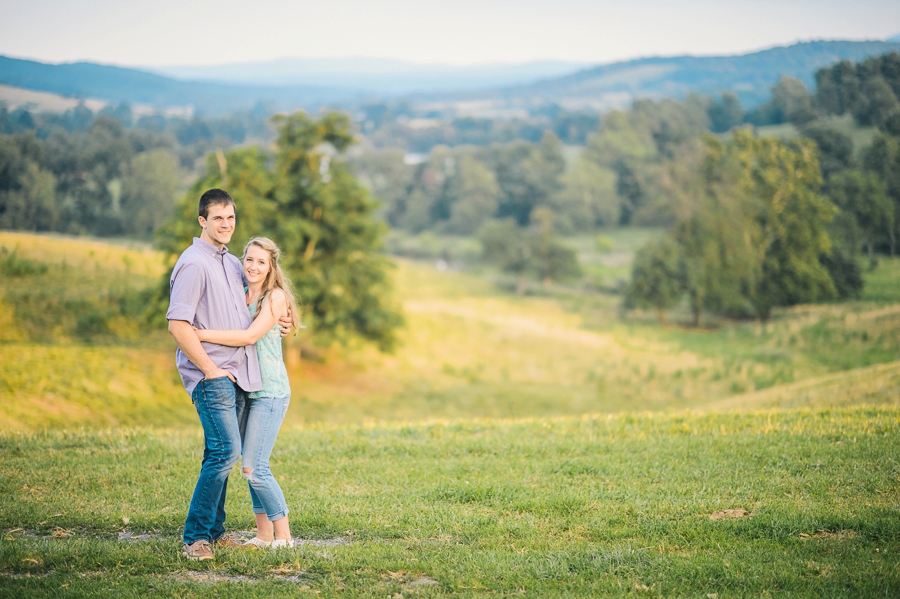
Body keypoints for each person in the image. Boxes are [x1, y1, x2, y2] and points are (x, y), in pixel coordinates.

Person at [166, 188, 288, 561]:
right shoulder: (193, 263)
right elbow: (178, 324)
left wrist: (280, 318)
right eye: (218, 218)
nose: (225, 224)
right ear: (202, 221)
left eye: (230, 217)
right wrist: (211, 370)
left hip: (239, 378)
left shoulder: (232, 262)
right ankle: (196, 538)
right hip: (214, 376)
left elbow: (260, 293)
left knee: (217, 454)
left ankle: (215, 533)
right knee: (225, 452)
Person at [193, 237, 300, 549]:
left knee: (255, 467)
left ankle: (285, 537)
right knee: (249, 466)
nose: (253, 266)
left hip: (270, 391)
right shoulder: (238, 293)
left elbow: (250, 335)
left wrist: (200, 335)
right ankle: (264, 536)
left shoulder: (275, 297)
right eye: (249, 259)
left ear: (271, 268)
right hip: (245, 388)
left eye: (261, 262)